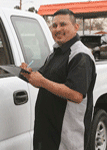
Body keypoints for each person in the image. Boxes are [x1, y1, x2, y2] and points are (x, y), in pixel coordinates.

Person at [20, 9, 96, 150]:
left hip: (66, 139)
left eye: (63, 24)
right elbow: (42, 80)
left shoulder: (80, 55)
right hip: (48, 136)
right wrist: (29, 74)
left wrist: (43, 82)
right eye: (54, 26)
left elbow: (76, 95)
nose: (58, 29)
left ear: (76, 27)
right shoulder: (56, 52)